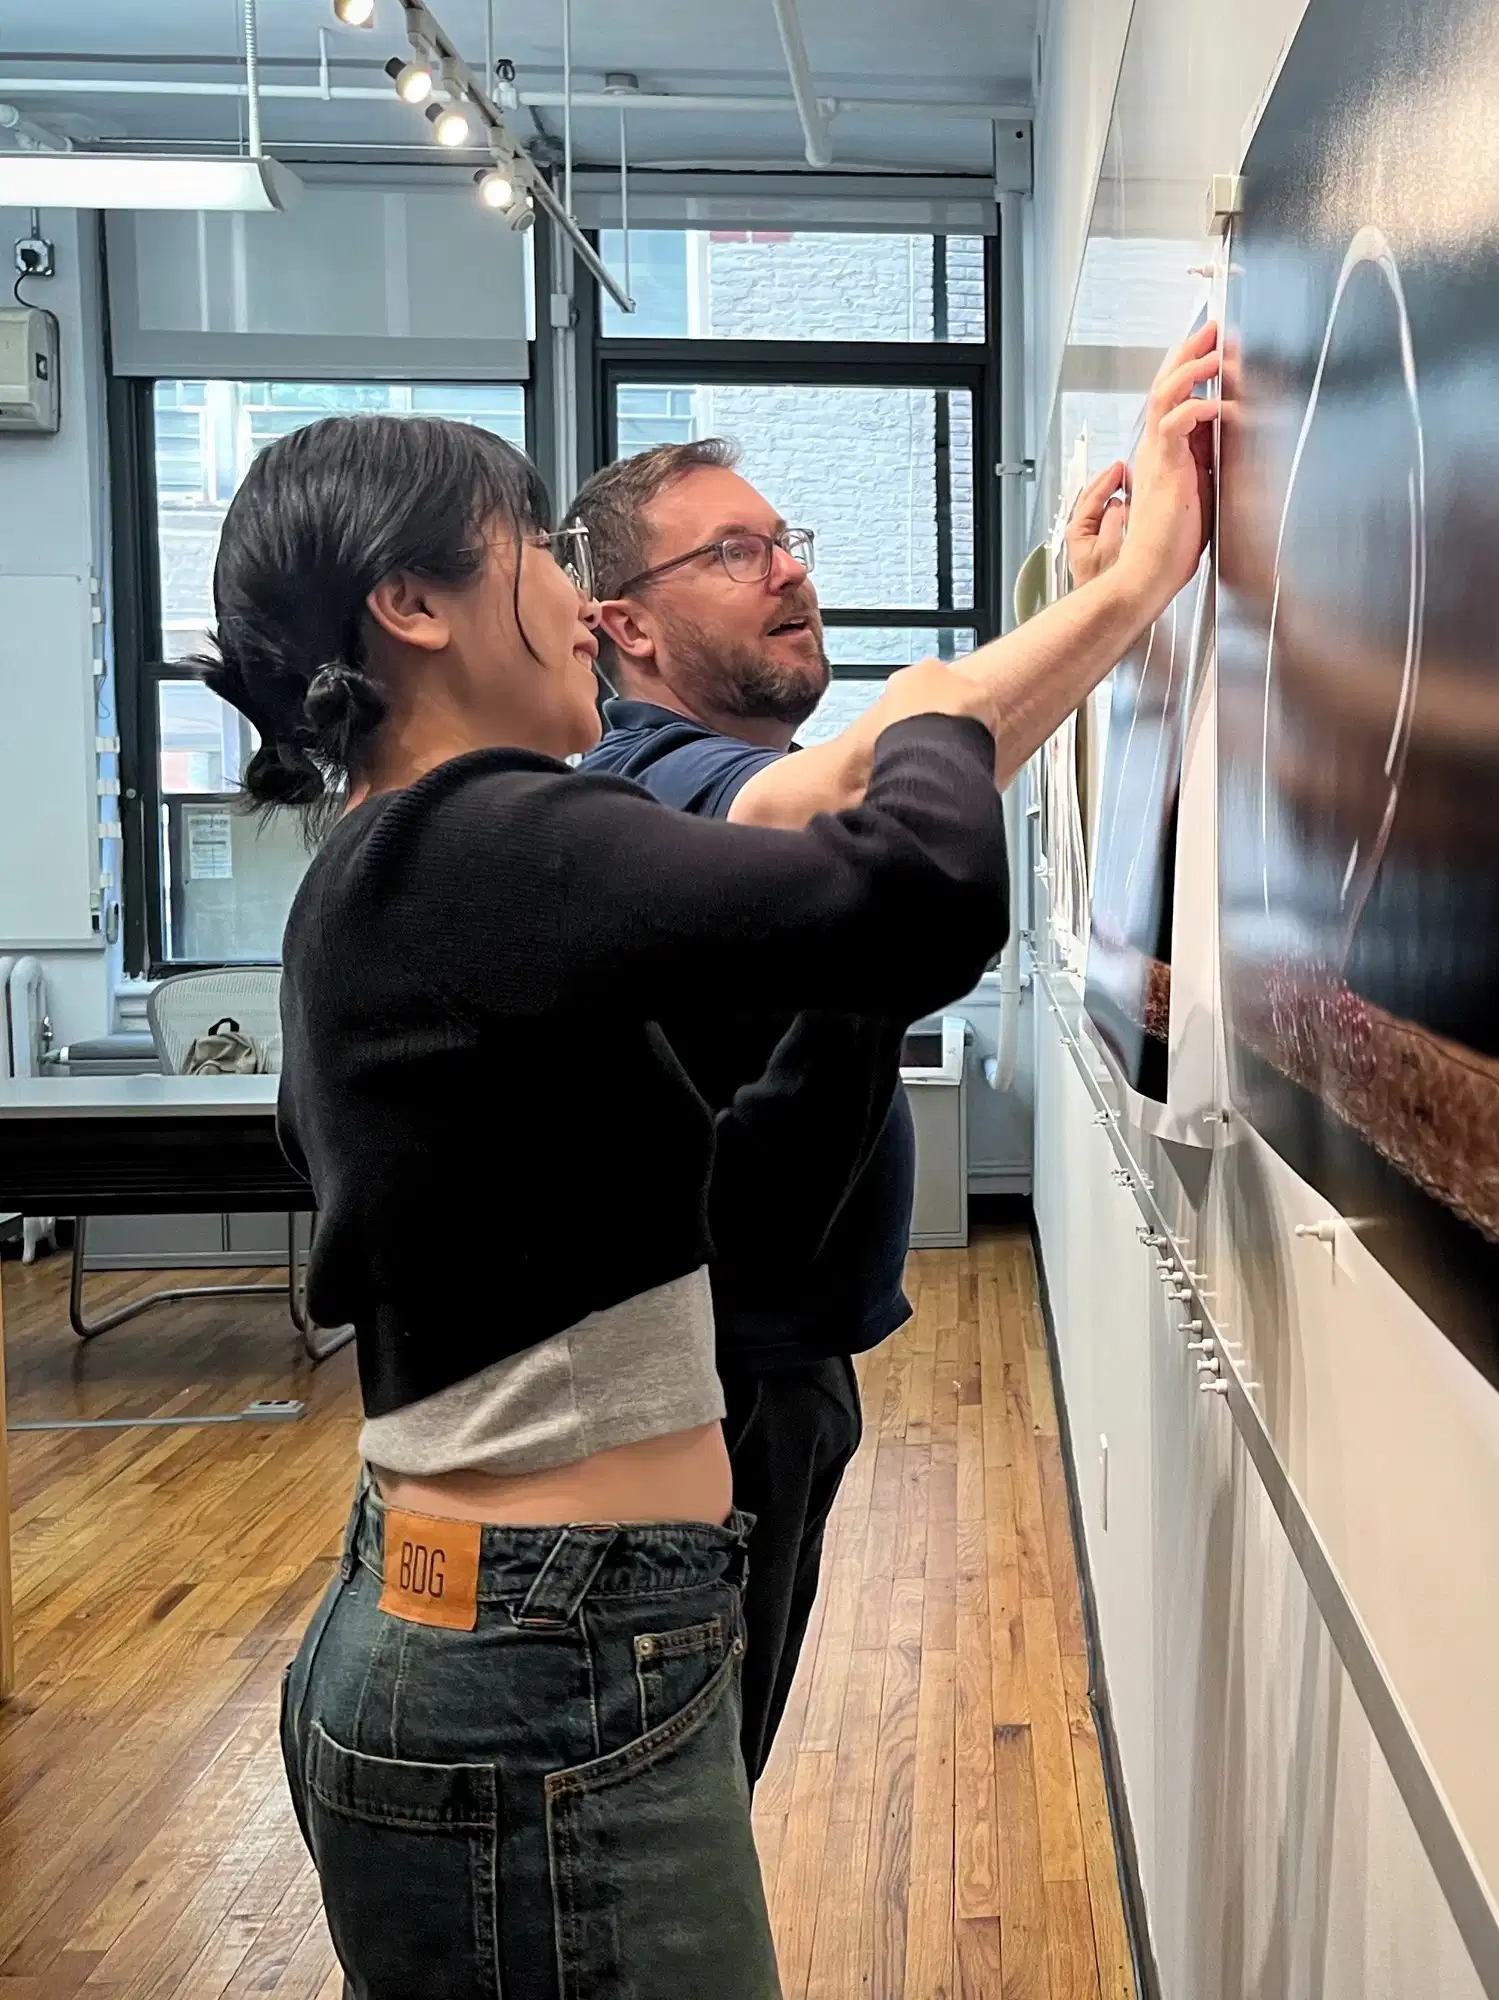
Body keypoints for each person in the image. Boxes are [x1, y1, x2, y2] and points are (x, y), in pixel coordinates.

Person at [195, 401, 1183, 1993]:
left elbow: (793, 868)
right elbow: (907, 896)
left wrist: (1108, 602)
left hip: (510, 1634)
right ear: (415, 604)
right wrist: (936, 702)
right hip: (536, 1660)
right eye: (532, 552)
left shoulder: (402, 866)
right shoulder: (482, 841)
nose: (580, 606)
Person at [561, 325, 1217, 1779]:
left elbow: (908, 798)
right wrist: (1140, 583)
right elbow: (877, 786)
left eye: (782, 538)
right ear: (626, 627)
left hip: (766, 1360)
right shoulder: (658, 787)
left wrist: (1090, 601)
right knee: (673, 1796)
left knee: (700, 1778)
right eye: (732, 555)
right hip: (714, 1385)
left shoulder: (714, 781)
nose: (790, 568)